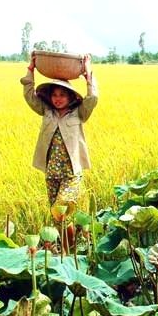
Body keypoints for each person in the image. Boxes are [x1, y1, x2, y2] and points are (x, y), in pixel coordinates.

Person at [20, 52, 97, 222]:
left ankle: (70, 243)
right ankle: (67, 245)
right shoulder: (46, 111)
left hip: (71, 173)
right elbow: (29, 95)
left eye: (62, 95)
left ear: (71, 97)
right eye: (54, 95)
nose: (58, 99)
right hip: (51, 172)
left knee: (61, 209)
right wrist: (31, 69)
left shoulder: (79, 113)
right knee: (57, 216)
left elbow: (92, 98)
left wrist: (88, 73)